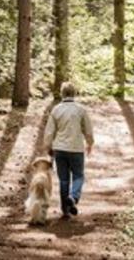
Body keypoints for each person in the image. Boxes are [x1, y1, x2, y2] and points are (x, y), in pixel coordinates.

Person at [43, 82, 94, 219]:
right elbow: (88, 130)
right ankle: (73, 197)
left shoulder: (56, 110)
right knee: (78, 176)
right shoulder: (81, 110)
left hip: (59, 149)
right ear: (74, 94)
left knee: (63, 180)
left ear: (62, 93)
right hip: (76, 148)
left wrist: (48, 147)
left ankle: (65, 210)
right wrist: (90, 143)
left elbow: (49, 132)